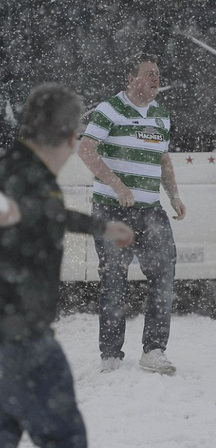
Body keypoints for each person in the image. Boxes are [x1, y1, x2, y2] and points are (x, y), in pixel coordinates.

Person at [0, 83, 134, 448]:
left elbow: (40, 215)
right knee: (63, 438)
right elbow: (27, 218)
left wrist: (100, 227)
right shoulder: (26, 176)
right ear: (70, 136)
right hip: (11, 339)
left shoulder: (13, 170)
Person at [78, 52, 186, 375]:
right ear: (130, 78)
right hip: (112, 210)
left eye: (157, 74)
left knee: (164, 273)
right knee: (113, 280)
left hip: (150, 211)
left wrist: (174, 195)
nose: (154, 79)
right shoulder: (110, 109)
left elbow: (163, 160)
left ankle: (154, 350)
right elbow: (86, 150)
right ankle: (110, 355)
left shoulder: (160, 115)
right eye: (148, 73)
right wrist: (117, 185)